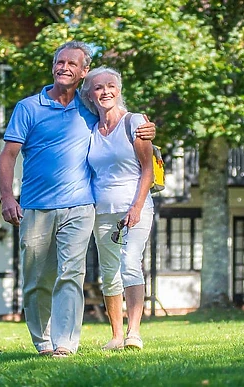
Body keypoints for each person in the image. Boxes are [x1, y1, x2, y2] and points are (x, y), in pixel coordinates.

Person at [0, 41, 155, 358]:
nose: (64, 67)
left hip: (81, 206)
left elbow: (121, 115)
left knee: (72, 274)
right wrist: (6, 198)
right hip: (36, 206)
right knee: (37, 279)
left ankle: (66, 343)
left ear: (83, 72)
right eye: (60, 62)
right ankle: (42, 340)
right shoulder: (29, 108)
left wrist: (147, 126)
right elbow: (8, 155)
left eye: (72, 63)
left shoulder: (88, 109)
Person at [80, 66, 154, 351]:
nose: (105, 91)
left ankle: (133, 332)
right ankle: (115, 336)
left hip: (134, 206)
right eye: (98, 87)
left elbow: (147, 169)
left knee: (130, 263)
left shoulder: (134, 122)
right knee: (109, 272)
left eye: (110, 85)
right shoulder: (91, 130)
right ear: (90, 94)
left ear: (119, 89)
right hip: (102, 209)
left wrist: (136, 207)